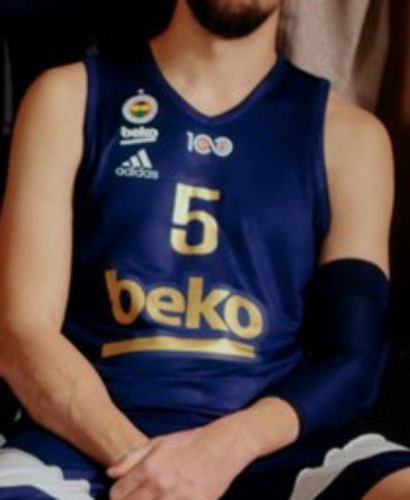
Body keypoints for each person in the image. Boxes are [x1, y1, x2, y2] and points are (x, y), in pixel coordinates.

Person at [0, 0, 410, 498]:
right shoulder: (69, 97)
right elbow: (21, 335)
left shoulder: (350, 136)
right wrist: (152, 471)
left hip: (273, 452)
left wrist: (224, 450)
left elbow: (354, 359)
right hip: (81, 444)